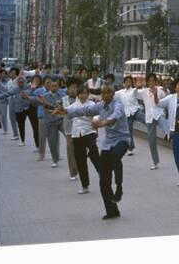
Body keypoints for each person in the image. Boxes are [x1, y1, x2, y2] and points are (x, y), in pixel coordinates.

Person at [55, 84, 130, 219]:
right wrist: (66, 111)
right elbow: (84, 110)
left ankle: (119, 187)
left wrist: (102, 124)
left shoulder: (118, 104)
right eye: (104, 93)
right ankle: (112, 211)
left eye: (108, 93)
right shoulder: (100, 105)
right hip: (108, 143)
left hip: (122, 139)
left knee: (115, 155)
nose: (106, 95)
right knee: (103, 181)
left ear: (112, 94)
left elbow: (115, 116)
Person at [133, 73, 169, 169]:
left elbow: (166, 99)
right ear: (148, 82)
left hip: (159, 114)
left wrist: (164, 89)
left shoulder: (160, 91)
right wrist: (137, 86)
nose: (151, 82)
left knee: (164, 122)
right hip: (149, 117)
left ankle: (167, 134)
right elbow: (135, 94)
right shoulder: (144, 92)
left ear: (155, 82)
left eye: (153, 80)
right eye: (149, 81)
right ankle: (155, 162)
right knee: (151, 141)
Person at [69, 85, 100, 194]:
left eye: (86, 93)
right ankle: (85, 185)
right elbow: (65, 113)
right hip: (76, 134)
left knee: (93, 151)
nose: (83, 95)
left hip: (89, 131)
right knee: (80, 160)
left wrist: (95, 121)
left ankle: (102, 172)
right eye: (81, 93)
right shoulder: (73, 106)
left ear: (88, 94)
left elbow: (97, 115)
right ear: (78, 94)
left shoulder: (92, 105)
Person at [31, 78, 67, 167]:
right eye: (52, 86)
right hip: (50, 122)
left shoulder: (62, 96)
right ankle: (55, 160)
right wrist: (27, 98)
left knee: (69, 136)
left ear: (58, 87)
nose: (54, 87)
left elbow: (67, 106)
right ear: (49, 87)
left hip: (61, 121)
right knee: (52, 142)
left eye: (56, 86)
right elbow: (35, 100)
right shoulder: (44, 96)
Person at [115, 75, 146, 156]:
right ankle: (130, 148)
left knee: (146, 120)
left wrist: (138, 87)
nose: (128, 83)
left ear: (132, 83)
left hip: (135, 111)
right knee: (129, 131)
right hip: (127, 115)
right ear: (124, 83)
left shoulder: (133, 91)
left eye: (130, 82)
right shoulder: (120, 93)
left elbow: (138, 92)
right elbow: (112, 95)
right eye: (126, 82)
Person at [0, 77, 30, 146]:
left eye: (22, 82)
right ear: (17, 83)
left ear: (24, 82)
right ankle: (22, 141)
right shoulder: (15, 89)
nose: (20, 83)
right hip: (19, 109)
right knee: (21, 125)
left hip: (28, 108)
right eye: (19, 82)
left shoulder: (28, 87)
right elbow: (6, 94)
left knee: (34, 125)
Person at [61, 79, 79, 180]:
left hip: (80, 129)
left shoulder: (81, 99)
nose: (73, 90)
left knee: (81, 151)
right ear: (67, 89)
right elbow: (59, 110)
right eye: (71, 88)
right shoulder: (63, 99)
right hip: (69, 129)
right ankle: (73, 172)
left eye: (75, 88)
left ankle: (79, 167)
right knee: (70, 151)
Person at [7, 67, 20, 140]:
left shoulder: (19, 81)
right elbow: (8, 91)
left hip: (18, 100)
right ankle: (15, 134)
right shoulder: (9, 82)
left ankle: (20, 133)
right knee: (12, 118)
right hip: (11, 100)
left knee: (19, 118)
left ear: (16, 74)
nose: (11, 74)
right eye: (10, 72)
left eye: (13, 72)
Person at [0, 67, 11, 135]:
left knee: (3, 115)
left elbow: (6, 89)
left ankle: (5, 130)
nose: (3, 75)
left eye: (4, 74)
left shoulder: (7, 81)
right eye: (1, 74)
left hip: (3, 100)